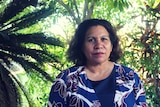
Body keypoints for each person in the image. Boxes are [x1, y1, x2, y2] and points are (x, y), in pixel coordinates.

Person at [48, 19, 147, 107]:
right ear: (81, 46)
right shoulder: (66, 80)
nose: (99, 45)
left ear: (112, 45)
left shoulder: (130, 77)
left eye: (104, 39)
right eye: (91, 40)